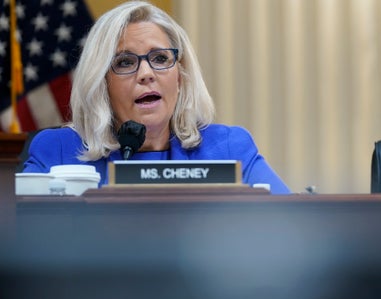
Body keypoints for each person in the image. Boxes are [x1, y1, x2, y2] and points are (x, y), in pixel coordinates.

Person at [21, 1, 290, 194]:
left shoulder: (230, 148)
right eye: (126, 62)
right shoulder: (57, 151)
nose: (146, 73)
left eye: (160, 58)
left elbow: (292, 225)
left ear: (180, 76)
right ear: (101, 82)